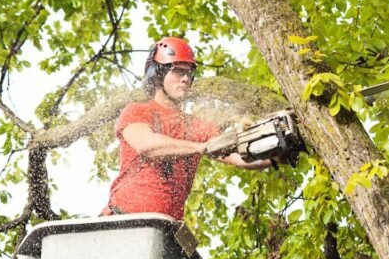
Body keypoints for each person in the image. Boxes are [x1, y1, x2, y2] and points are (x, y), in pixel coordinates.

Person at [102, 37, 272, 220]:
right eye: (177, 71)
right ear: (157, 74)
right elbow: (147, 145)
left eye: (189, 73)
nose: (185, 79)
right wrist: (201, 147)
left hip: (165, 228)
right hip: (122, 221)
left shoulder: (197, 127)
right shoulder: (138, 110)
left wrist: (276, 152)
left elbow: (243, 158)